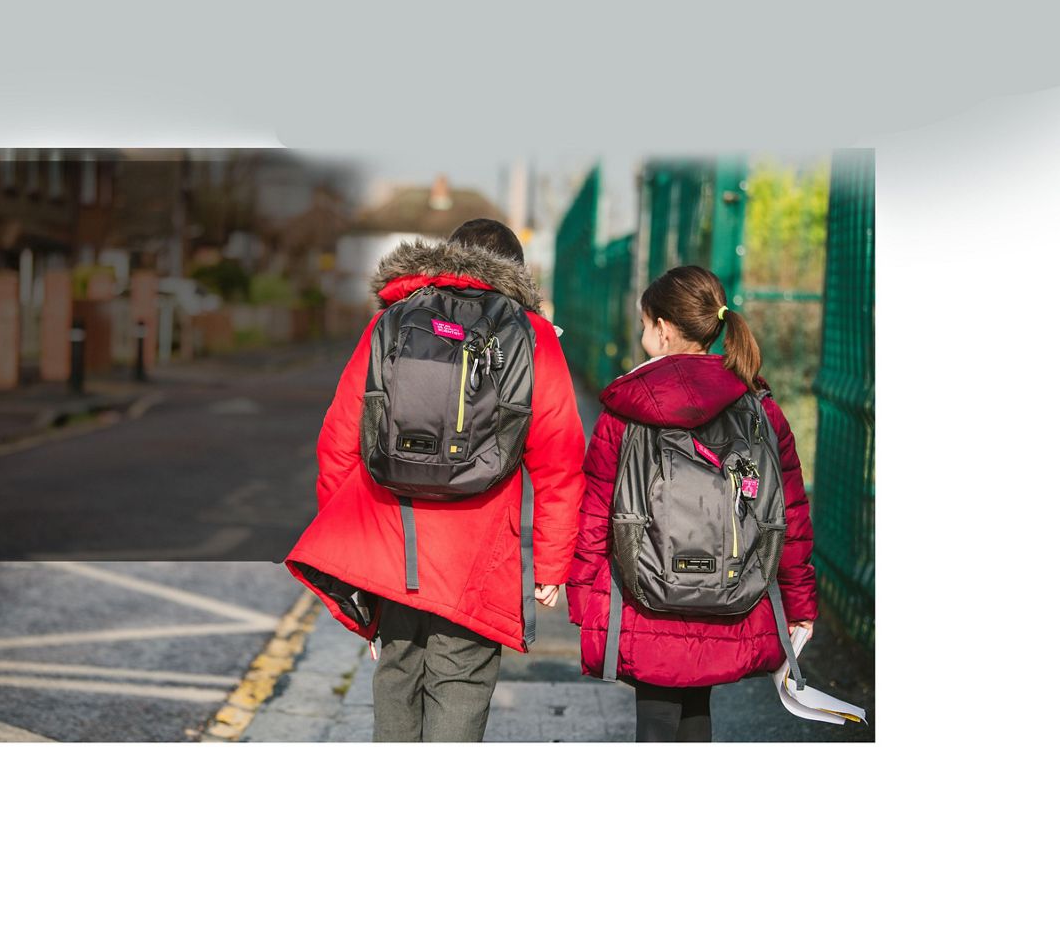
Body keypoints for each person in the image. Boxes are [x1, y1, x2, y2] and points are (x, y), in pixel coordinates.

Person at [287, 218, 586, 743]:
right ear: (517, 274)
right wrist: (552, 563)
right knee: (461, 683)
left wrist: (352, 553)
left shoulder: (393, 323)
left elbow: (339, 439)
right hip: (479, 554)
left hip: (392, 548)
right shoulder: (530, 334)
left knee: (397, 676)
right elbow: (560, 457)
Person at [566, 264, 818, 743]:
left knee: (656, 716)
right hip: (730, 591)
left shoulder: (626, 410)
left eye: (644, 325)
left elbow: (598, 509)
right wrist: (800, 602)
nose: (643, 334)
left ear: (662, 329)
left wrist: (582, 594)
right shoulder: (758, 408)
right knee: (696, 708)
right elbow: (789, 513)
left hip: (645, 594)